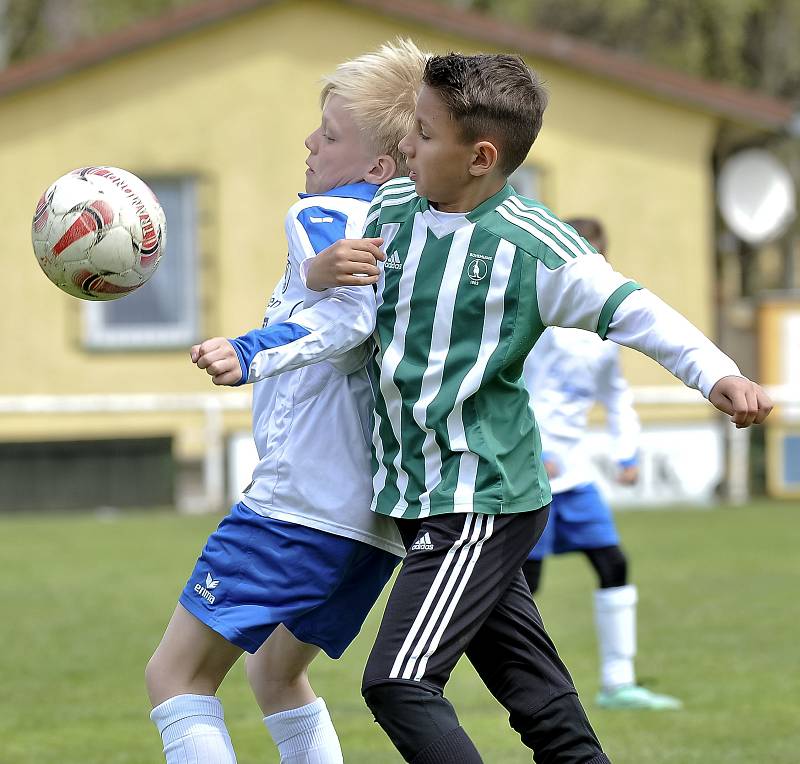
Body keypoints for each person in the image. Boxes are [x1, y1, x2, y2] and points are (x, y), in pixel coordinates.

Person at [198, 52, 772, 763]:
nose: (406, 146)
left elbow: (634, 309)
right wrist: (285, 312)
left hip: (478, 498)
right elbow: (342, 307)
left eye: (426, 135)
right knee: (535, 695)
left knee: (400, 683)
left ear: (480, 157)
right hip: (423, 499)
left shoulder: (533, 246)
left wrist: (715, 373)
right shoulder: (391, 209)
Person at [144, 39, 427, 764]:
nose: (309, 143)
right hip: (373, 524)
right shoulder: (418, 227)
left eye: (328, 135)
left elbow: (350, 318)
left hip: (297, 506)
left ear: (378, 167)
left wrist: (249, 348)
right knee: (276, 673)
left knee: (176, 676)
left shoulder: (326, 213)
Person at [521, 217, 682, 711]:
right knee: (528, 586)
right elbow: (511, 386)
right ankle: (521, 684)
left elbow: (616, 398)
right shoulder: (538, 318)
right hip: (532, 471)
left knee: (613, 562)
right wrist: (529, 449)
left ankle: (619, 682)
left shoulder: (602, 333)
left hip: (576, 473)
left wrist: (626, 451)